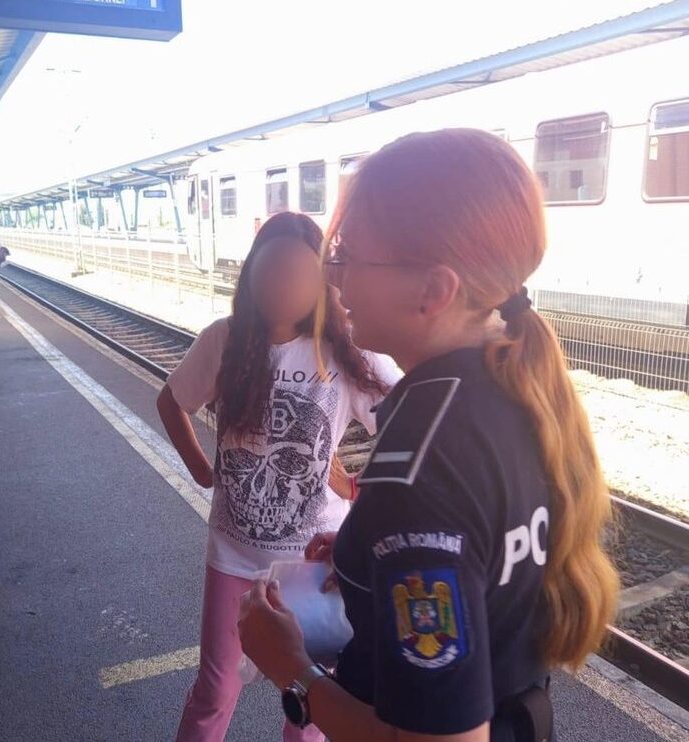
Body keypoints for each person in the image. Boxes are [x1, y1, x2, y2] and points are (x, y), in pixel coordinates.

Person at [238, 130, 620, 742]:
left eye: (348, 255)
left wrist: (292, 670)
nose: (334, 278)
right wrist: (370, 553)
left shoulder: (420, 467)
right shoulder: (511, 391)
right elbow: (479, 555)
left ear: (434, 290)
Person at [157, 211, 400, 742]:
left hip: (313, 563)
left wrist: (360, 494)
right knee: (216, 689)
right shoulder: (223, 341)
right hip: (233, 556)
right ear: (250, 275)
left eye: (299, 274)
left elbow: (410, 425)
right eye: (270, 271)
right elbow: (172, 401)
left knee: (309, 703)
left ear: (322, 283)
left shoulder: (346, 350)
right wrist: (202, 471)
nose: (282, 285)